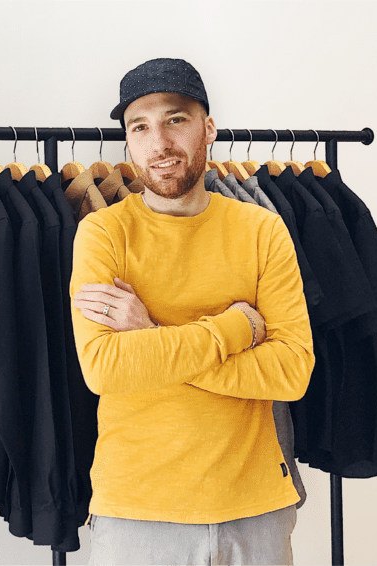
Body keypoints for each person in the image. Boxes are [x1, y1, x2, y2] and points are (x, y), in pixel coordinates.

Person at [70, 58, 315, 566]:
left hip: (257, 507)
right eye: (140, 127)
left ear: (208, 128)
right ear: (128, 142)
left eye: (175, 119)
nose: (158, 142)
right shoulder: (103, 233)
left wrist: (152, 335)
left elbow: (291, 373)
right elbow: (106, 368)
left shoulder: (262, 230)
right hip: (137, 509)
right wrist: (235, 327)